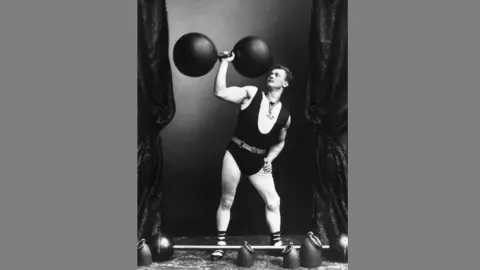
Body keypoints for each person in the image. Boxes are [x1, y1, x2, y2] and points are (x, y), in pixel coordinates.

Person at [211, 51, 293, 260]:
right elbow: (220, 92)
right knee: (227, 200)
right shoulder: (251, 93)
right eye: (270, 73)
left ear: (285, 84)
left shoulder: (285, 116)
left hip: (258, 161)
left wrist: (269, 160)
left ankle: (277, 243)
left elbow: (280, 142)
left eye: (277, 75)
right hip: (236, 153)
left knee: (274, 202)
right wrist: (224, 63)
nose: (271, 76)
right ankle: (220, 243)